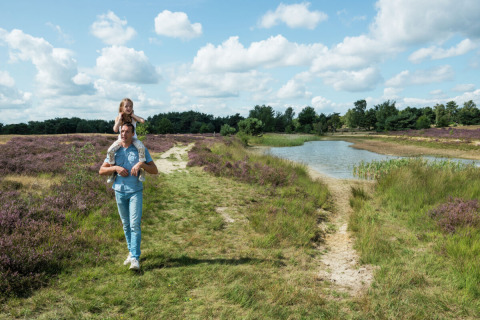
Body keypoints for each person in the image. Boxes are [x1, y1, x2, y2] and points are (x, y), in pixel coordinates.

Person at [99, 122, 158, 270]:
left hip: (135, 191)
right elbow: (101, 170)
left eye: (127, 132)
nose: (124, 134)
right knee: (126, 225)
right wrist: (116, 168)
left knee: (134, 224)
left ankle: (135, 259)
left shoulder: (140, 149)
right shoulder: (115, 150)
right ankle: (131, 253)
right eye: (122, 131)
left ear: (133, 134)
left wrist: (141, 165)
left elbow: (154, 170)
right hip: (119, 191)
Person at [107, 98, 147, 183]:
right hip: (121, 140)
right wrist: (120, 119)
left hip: (133, 139)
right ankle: (112, 172)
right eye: (126, 106)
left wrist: (133, 115)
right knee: (110, 150)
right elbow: (115, 129)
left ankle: (142, 170)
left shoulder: (133, 118)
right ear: (122, 108)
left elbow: (142, 121)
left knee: (141, 148)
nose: (128, 108)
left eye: (130, 106)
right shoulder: (118, 118)